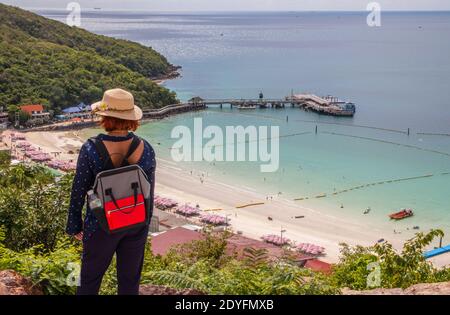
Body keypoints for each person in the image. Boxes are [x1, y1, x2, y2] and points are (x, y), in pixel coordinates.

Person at [66, 88, 156, 295]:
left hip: (100, 224)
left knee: (89, 280)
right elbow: (148, 192)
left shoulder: (91, 148)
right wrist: (144, 223)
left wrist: (74, 225)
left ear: (105, 117)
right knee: (129, 281)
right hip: (135, 222)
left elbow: (78, 189)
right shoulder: (146, 148)